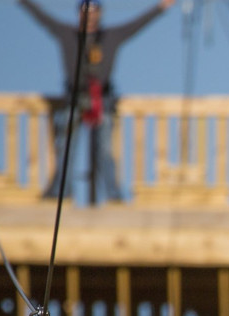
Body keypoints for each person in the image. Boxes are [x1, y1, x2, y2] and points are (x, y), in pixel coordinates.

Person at [19, 0, 176, 202]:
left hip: (103, 98)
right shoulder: (68, 34)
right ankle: (61, 190)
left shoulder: (111, 36)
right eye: (86, 13)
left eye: (94, 12)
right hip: (75, 97)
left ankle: (113, 194)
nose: (90, 17)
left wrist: (160, 8)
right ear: (79, 15)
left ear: (100, 14)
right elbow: (42, 18)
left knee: (104, 150)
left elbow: (138, 24)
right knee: (66, 146)